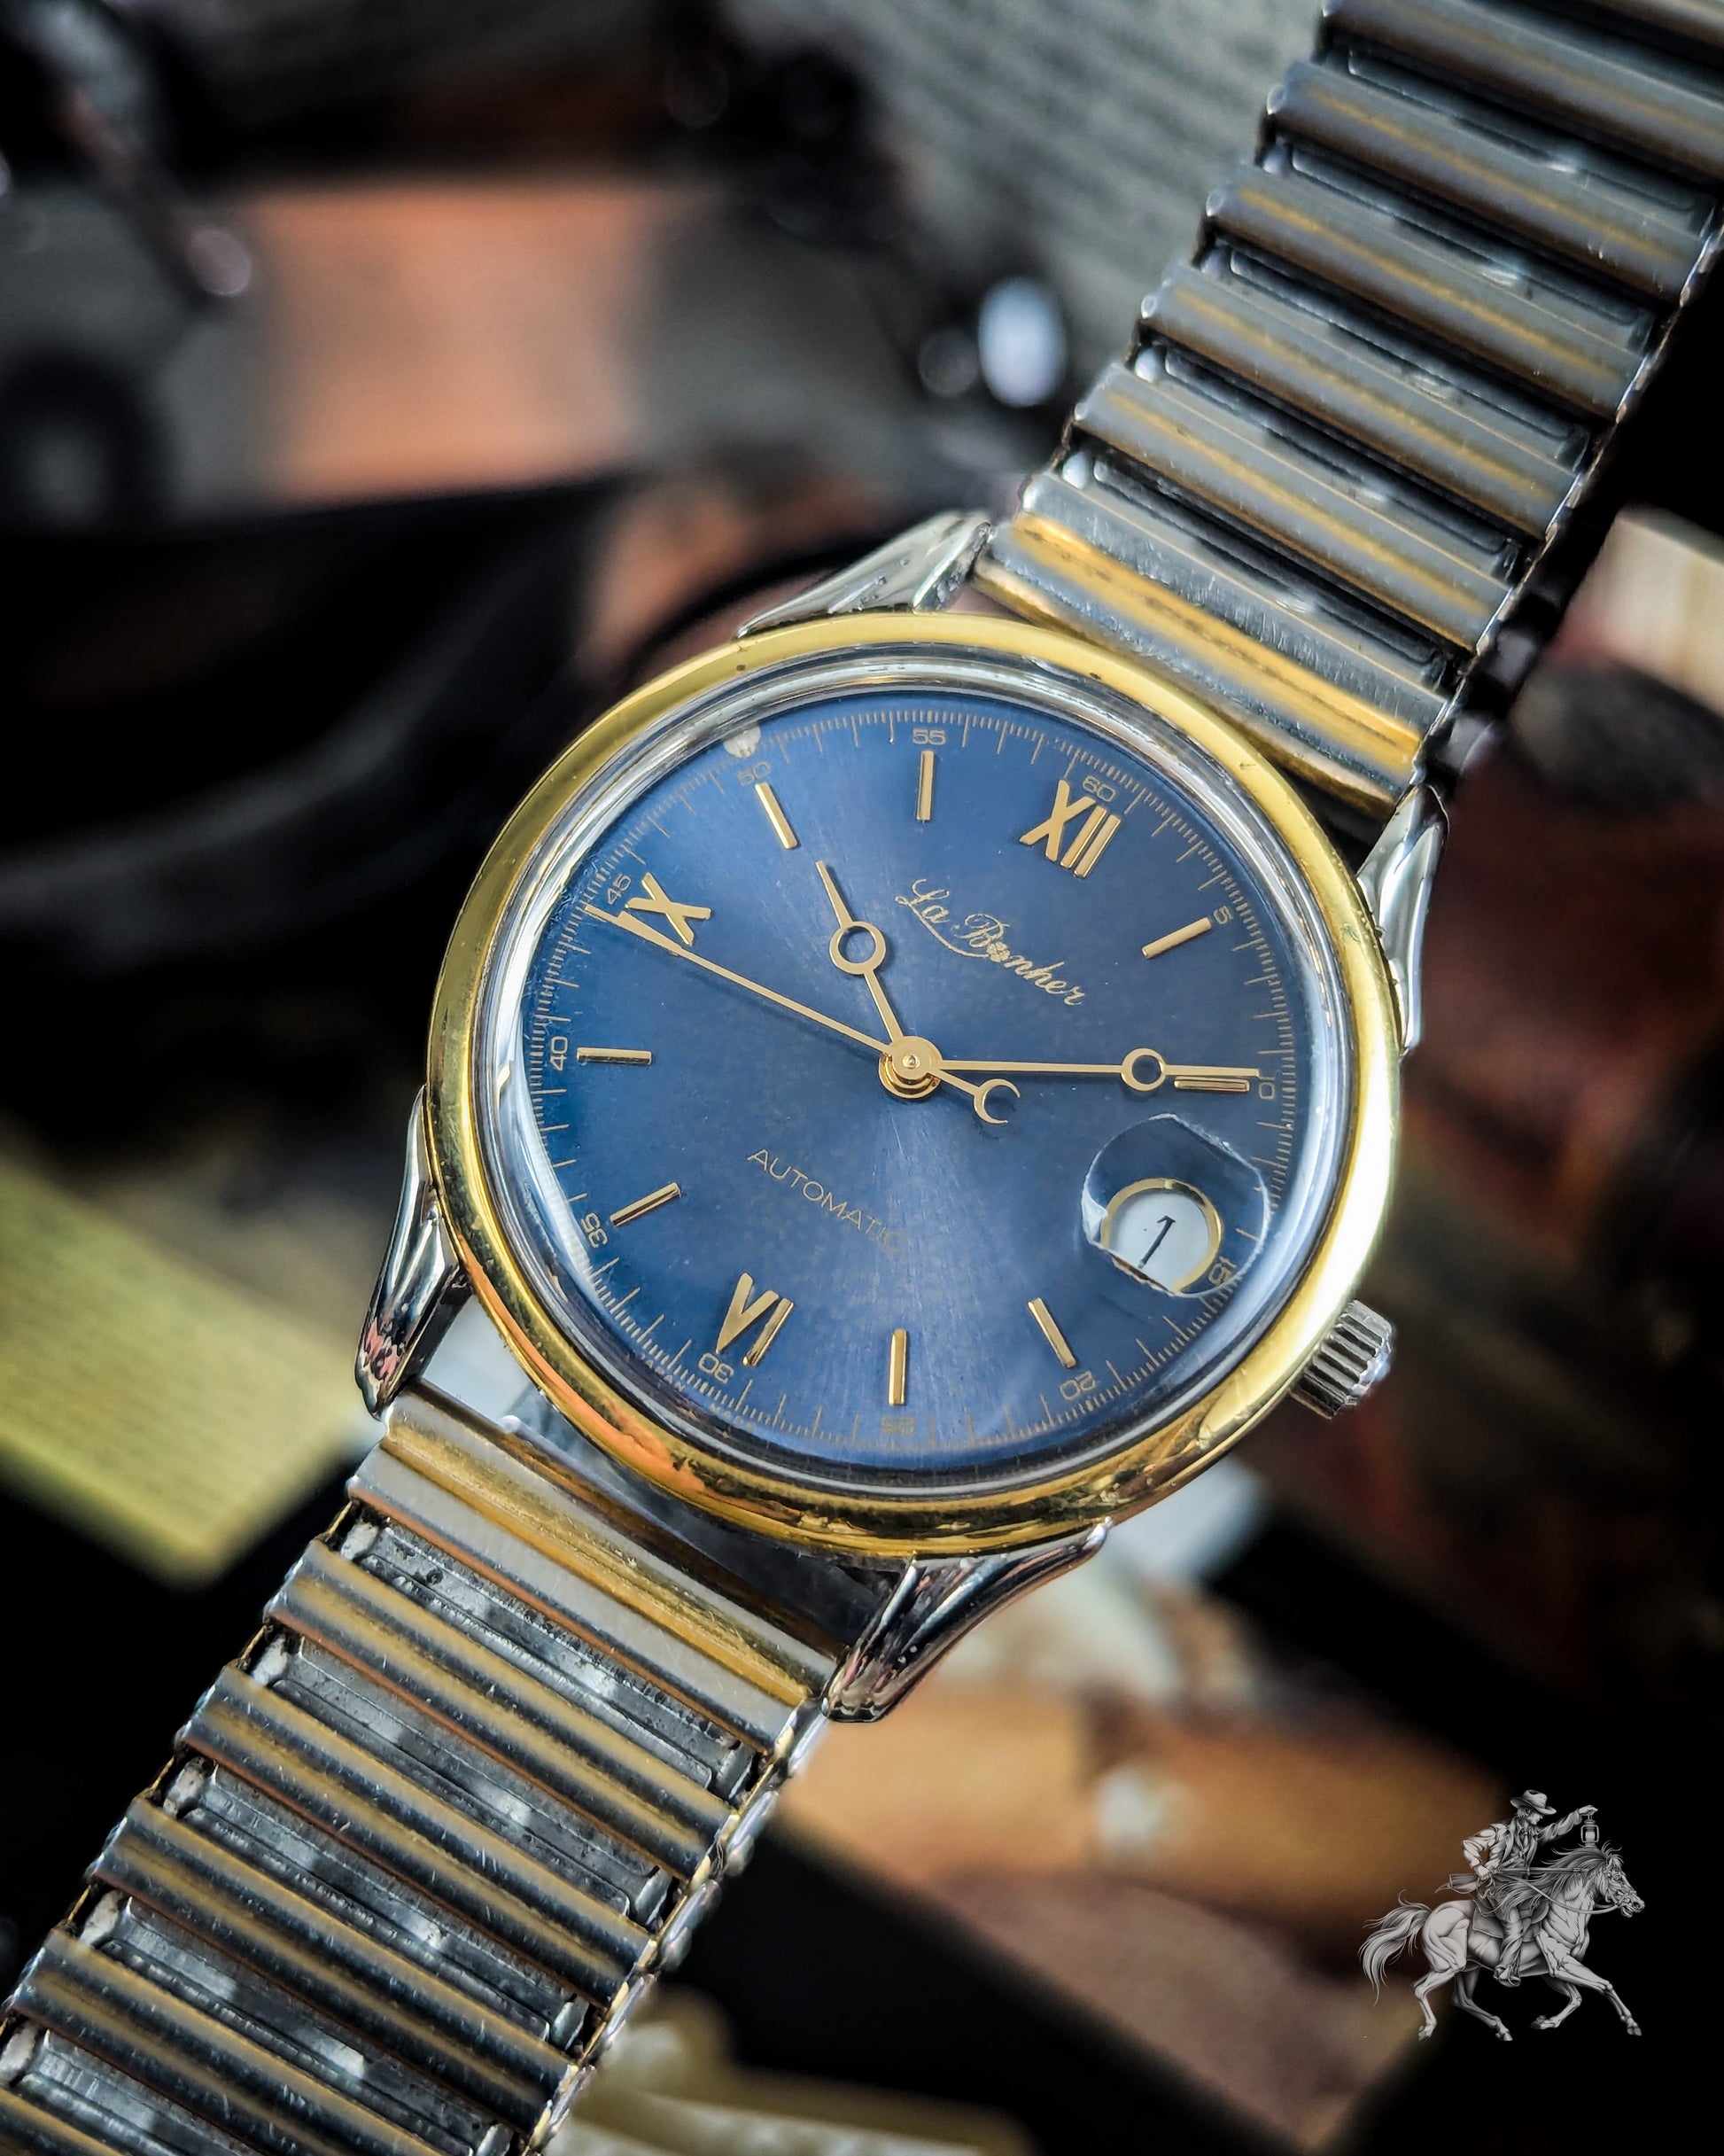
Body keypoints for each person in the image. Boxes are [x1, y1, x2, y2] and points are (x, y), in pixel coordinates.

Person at [1457, 1792, 1596, 1986]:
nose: (1541, 1817)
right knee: (1514, 1926)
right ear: (1525, 1811)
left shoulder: (1533, 1833)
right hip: (1497, 1887)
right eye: (1538, 1813)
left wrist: (1578, 1814)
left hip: (1520, 1887)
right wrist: (1478, 1867)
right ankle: (1505, 1969)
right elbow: (1469, 1844)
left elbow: (1555, 1830)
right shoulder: (1499, 1831)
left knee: (1544, 1907)